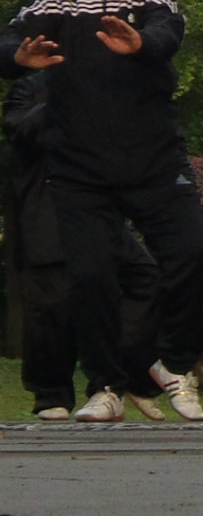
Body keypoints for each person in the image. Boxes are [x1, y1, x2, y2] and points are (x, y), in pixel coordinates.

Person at [0, 0, 203, 422]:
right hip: (80, 168)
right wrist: (19, 57)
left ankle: (176, 364)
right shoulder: (55, 2)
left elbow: (169, 31)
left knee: (193, 255)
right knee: (90, 278)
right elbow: (7, 42)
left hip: (154, 159)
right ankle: (106, 387)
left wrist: (140, 44)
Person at [4, 72, 167, 420]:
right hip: (46, 211)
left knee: (144, 277)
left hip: (99, 213)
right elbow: (19, 131)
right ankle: (52, 395)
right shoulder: (30, 88)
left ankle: (118, 380)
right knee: (52, 302)